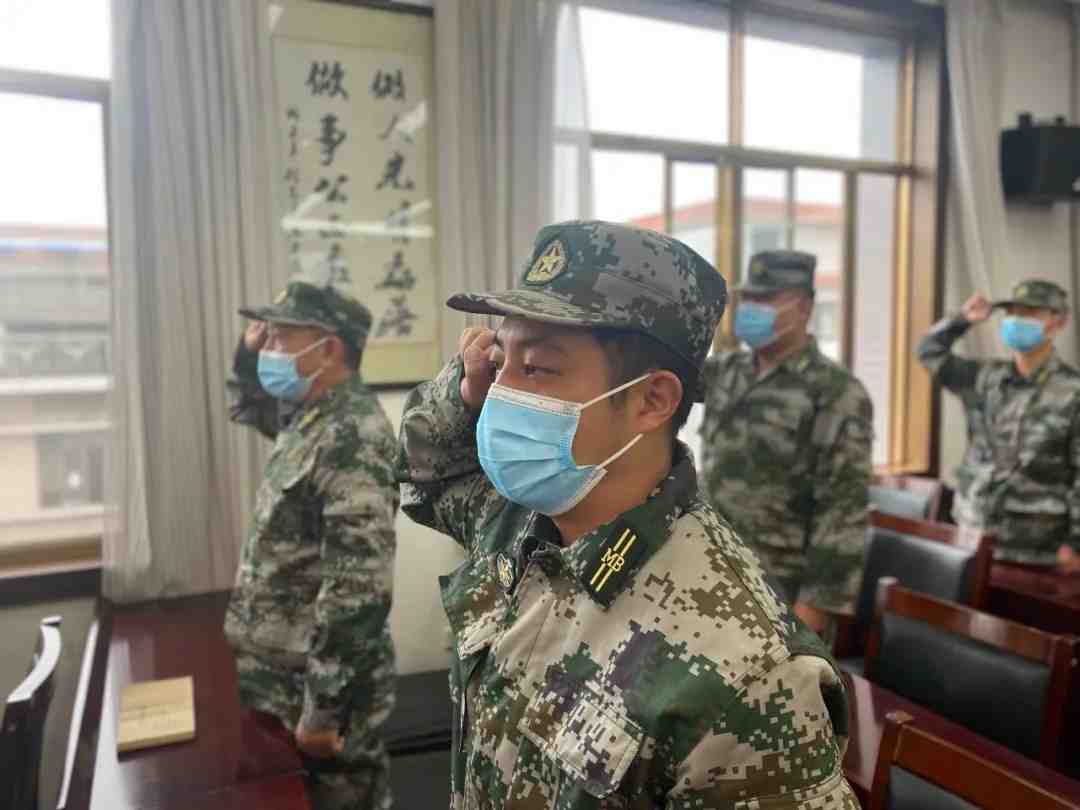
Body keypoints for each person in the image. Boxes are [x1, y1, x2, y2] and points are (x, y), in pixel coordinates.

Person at [396, 221, 858, 809]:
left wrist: (818, 602)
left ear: (652, 399)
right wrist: (460, 390)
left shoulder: (750, 675)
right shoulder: (517, 522)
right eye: (498, 359)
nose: (500, 392)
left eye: (535, 368)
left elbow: (842, 507)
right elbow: (424, 474)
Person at [224, 280, 399, 809]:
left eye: (282, 338)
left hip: (316, 691)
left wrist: (323, 710)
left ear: (329, 350)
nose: (270, 349)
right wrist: (248, 353)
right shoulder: (309, 414)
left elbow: (358, 591)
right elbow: (249, 404)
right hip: (278, 681)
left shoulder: (353, 435)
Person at [699, 250, 873, 629]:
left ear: (804, 308)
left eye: (766, 299)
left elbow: (842, 513)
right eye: (748, 298)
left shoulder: (836, 392)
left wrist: (809, 619)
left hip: (779, 591)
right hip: (709, 574)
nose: (751, 309)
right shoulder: (726, 371)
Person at [918, 279, 1080, 573]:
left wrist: (1076, 544)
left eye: (1030, 313)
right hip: (971, 534)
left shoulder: (1072, 391)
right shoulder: (983, 378)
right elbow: (928, 351)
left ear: (1059, 321)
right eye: (1012, 312)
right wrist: (962, 320)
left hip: (1036, 548)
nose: (1018, 320)